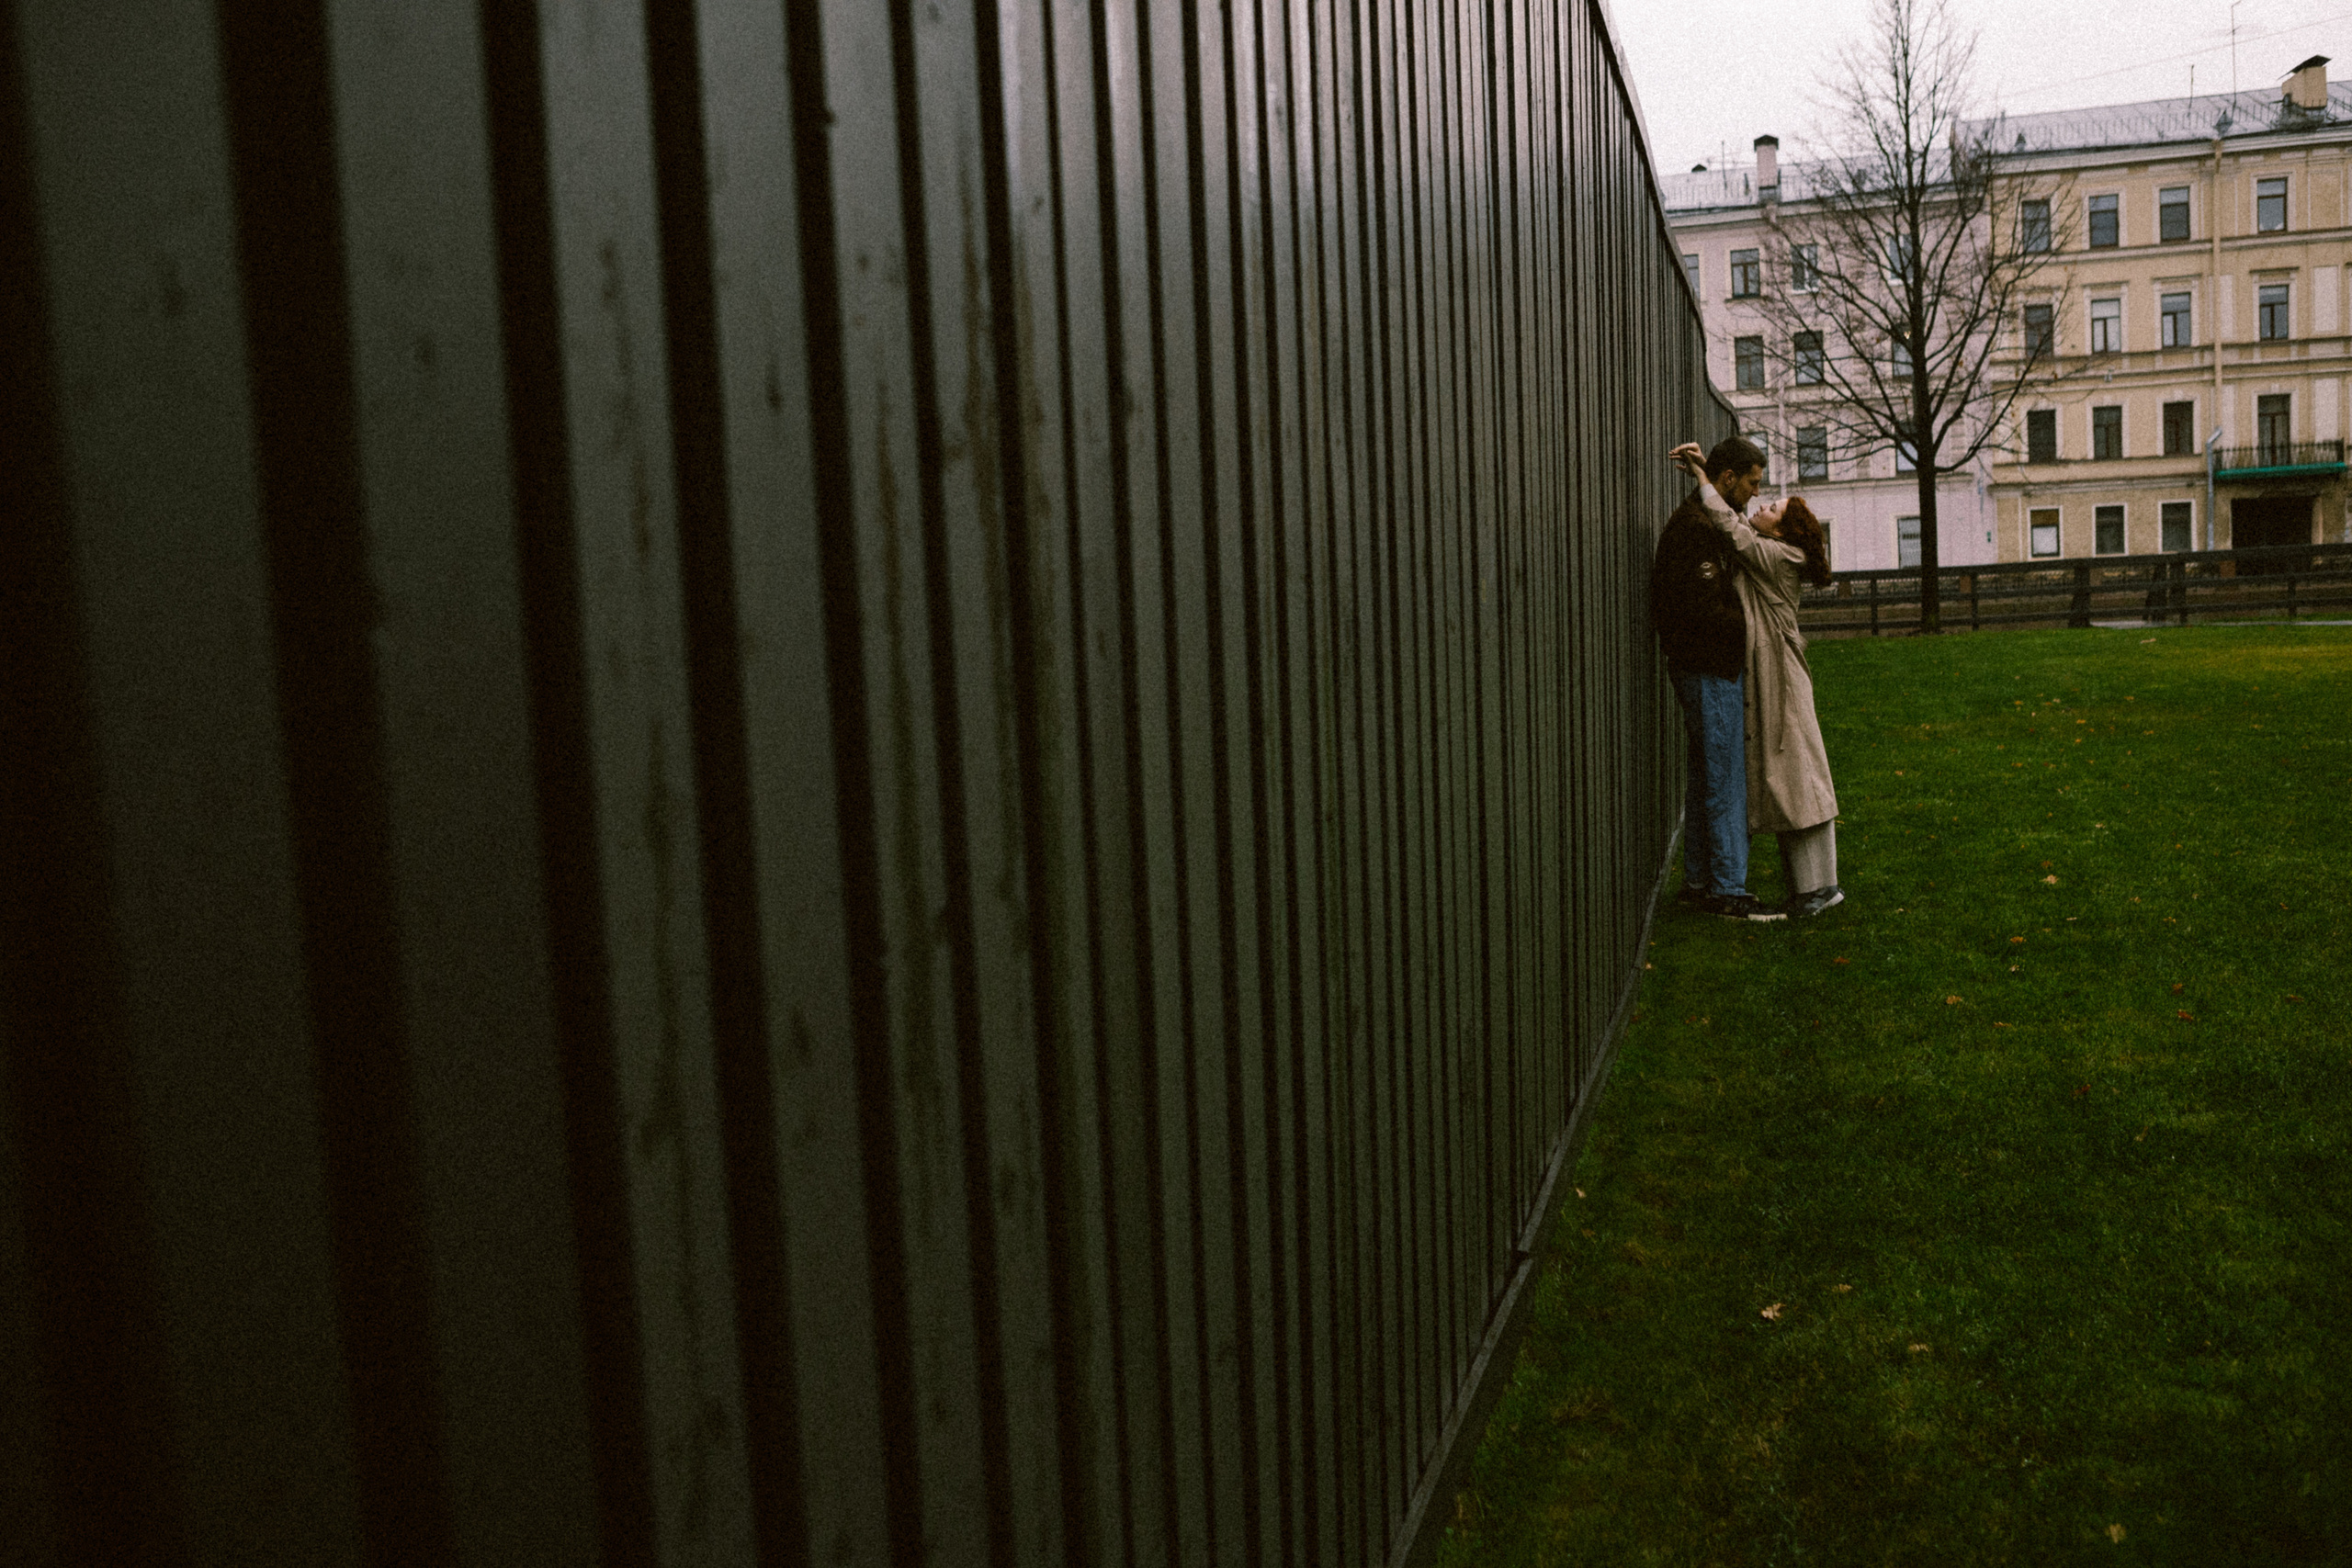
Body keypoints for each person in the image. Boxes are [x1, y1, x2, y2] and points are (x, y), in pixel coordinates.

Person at [1669, 442, 1845, 918]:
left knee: (1797, 775)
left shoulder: (1780, 555)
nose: (1760, 504)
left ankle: (1817, 888)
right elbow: (1736, 522)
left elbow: (1731, 527)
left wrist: (1705, 477)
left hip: (1780, 679)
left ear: (1784, 529)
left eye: (1771, 506)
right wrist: (1713, 476)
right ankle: (1806, 886)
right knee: (1784, 777)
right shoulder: (1771, 545)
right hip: (1767, 675)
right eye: (1760, 494)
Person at [1651, 436, 1783, 921]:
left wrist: (1707, 474)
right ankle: (1729, 889)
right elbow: (1704, 610)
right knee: (1726, 781)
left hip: (1699, 666)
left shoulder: (1703, 520)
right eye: (1750, 483)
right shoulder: (1699, 531)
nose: (1754, 493)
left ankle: (1699, 882)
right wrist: (1749, 627)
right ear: (1730, 479)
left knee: (1708, 776)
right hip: (1708, 668)